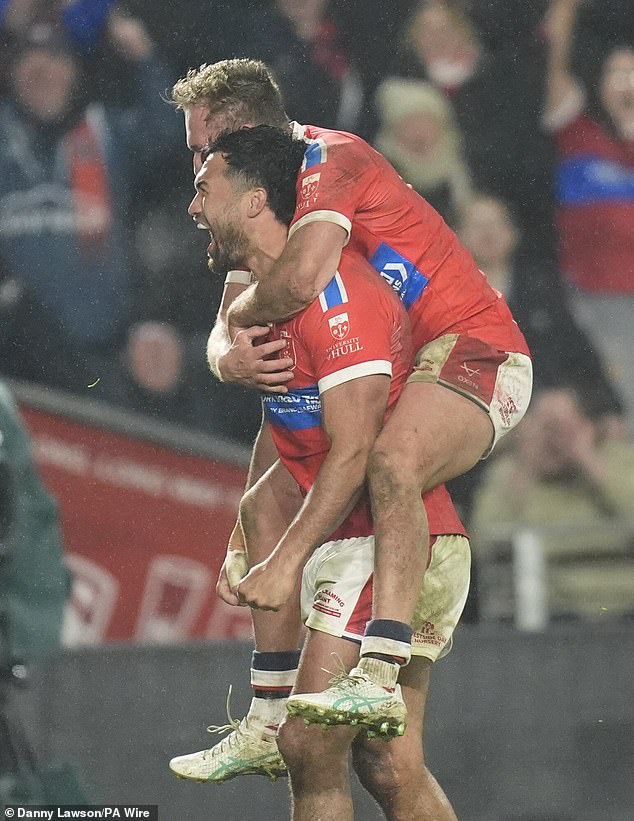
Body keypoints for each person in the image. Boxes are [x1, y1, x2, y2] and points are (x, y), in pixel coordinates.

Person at [169, 57, 531, 733]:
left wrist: (236, 328)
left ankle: (379, 670)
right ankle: (267, 715)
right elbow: (228, 338)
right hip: (401, 374)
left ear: (240, 130)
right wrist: (228, 357)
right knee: (283, 427)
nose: (196, 161)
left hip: (474, 349)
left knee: (389, 460)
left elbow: (300, 280)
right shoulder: (264, 195)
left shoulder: (328, 159)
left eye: (202, 145)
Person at [169, 126, 469, 821]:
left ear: (254, 201)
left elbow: (357, 453)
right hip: (345, 535)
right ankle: (266, 715)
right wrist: (253, 540)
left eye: (202, 186)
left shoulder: (335, 297)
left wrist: (283, 562)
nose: (191, 207)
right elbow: (279, 449)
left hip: (388, 542)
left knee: (310, 746)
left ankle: (271, 718)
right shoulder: (267, 302)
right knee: (388, 765)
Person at [542, 0, 634, 432]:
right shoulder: (580, 137)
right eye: (618, 73)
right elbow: (553, 56)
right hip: (593, 305)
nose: (627, 83)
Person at [471, 386, 634, 620]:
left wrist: (590, 463)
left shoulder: (619, 461)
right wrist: (525, 468)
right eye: (546, 429)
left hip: (622, 611)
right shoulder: (509, 475)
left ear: (588, 427)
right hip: (545, 615)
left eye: (565, 428)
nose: (555, 441)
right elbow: (483, 543)